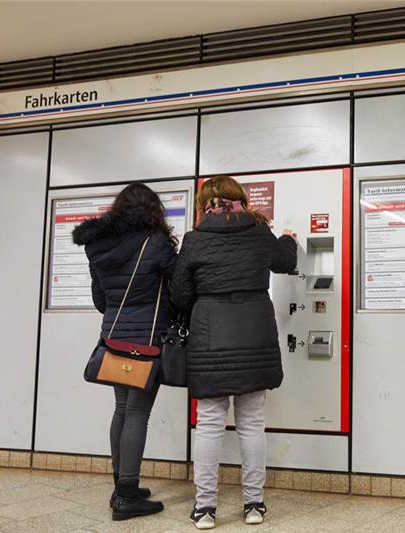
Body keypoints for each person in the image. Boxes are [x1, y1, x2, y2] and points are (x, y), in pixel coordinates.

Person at [171, 175, 297, 530]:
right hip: (254, 328)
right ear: (239, 198)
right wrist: (288, 237)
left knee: (209, 422)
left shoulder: (195, 240)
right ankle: (254, 504)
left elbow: (179, 296)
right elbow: (284, 261)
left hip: (211, 331)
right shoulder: (258, 230)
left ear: (204, 204)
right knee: (252, 421)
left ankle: (205, 508)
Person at [72, 183, 177, 521]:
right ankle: (128, 497)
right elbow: (178, 291)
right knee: (136, 414)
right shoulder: (156, 243)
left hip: (114, 338)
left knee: (121, 410)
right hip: (145, 340)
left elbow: (101, 300)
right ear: (152, 210)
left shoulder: (98, 247)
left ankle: (121, 484)